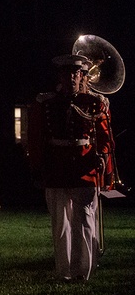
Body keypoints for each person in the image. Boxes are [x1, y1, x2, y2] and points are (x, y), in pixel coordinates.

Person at [26, 54, 112, 282]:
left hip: (85, 166)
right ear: (60, 76)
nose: (72, 77)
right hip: (56, 167)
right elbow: (35, 137)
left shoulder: (95, 102)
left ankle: (81, 271)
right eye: (67, 73)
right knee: (60, 222)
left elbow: (104, 135)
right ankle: (63, 271)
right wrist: (37, 166)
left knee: (83, 219)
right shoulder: (46, 103)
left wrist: (103, 156)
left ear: (83, 76)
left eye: (76, 73)